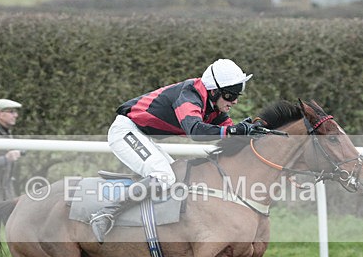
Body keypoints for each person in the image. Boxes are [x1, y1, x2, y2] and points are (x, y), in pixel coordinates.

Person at [89, 58, 264, 242]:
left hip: (143, 135)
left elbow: (229, 132)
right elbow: (196, 131)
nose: (235, 101)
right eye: (230, 95)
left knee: (174, 178)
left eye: (237, 96)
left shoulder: (214, 107)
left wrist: (250, 132)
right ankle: (104, 214)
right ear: (213, 91)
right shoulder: (189, 95)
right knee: (164, 176)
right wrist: (234, 131)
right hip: (126, 131)